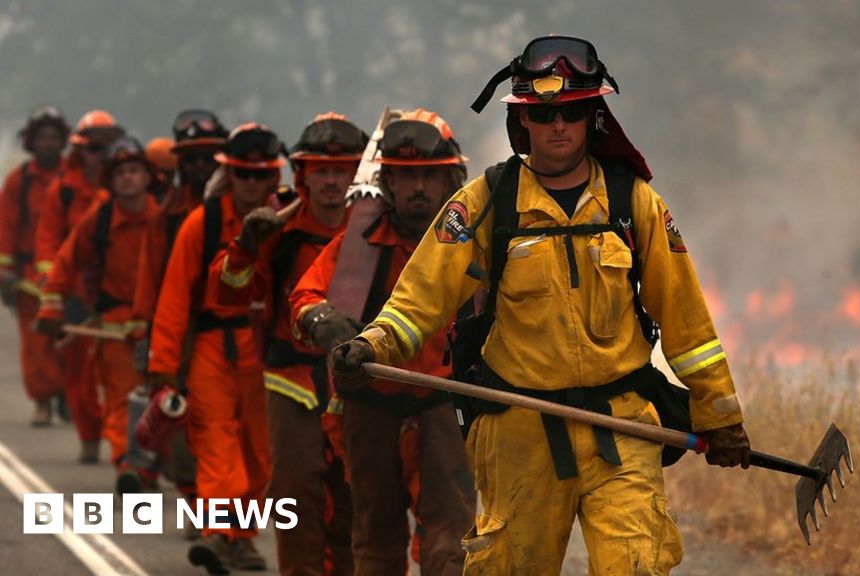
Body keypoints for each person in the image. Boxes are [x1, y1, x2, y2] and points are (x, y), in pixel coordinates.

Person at [332, 36, 752, 574]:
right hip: (519, 428)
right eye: (546, 112)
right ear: (523, 121)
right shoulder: (485, 204)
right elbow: (419, 300)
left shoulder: (634, 204)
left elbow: (688, 324)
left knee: (636, 565)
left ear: (592, 116)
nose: (559, 126)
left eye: (573, 112)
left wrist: (722, 416)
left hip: (622, 428)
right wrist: (373, 343)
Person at [291, 109, 475, 576]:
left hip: (444, 403)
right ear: (387, 183)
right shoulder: (360, 244)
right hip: (370, 404)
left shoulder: (473, 245)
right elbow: (306, 295)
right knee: (375, 535)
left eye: (428, 178)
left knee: (451, 534)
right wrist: (322, 318)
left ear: (451, 180)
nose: (417, 189)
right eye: (406, 177)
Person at [209, 112, 368, 575]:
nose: (331, 181)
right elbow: (229, 293)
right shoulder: (275, 226)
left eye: (341, 170)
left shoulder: (374, 227)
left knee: (355, 495)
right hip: (291, 379)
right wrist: (244, 246)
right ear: (302, 174)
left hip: (356, 378)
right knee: (295, 495)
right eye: (321, 170)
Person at [148, 123, 282, 574]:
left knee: (260, 451)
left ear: (272, 177)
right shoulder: (201, 223)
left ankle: (241, 538)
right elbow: (173, 296)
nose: (250, 184)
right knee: (217, 441)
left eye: (259, 176)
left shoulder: (286, 221)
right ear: (230, 175)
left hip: (264, 349)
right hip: (210, 346)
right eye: (242, 174)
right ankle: (219, 533)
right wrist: (163, 366)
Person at [36, 137, 159, 492]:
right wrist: (51, 303)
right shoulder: (100, 218)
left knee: (163, 403)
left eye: (135, 171)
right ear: (110, 179)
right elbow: (66, 260)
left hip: (162, 327)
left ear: (148, 177)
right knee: (123, 401)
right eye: (120, 173)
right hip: (115, 328)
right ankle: (128, 467)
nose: (128, 179)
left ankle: (153, 469)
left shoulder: (165, 218)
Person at [128, 110, 229, 540]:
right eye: (191, 159)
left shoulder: (242, 211)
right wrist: (144, 334)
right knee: (187, 421)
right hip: (182, 334)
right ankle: (198, 503)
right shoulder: (166, 217)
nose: (200, 166)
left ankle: (225, 517)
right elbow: (150, 279)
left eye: (209, 158)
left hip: (239, 335)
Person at [34, 109, 124, 462]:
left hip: (119, 299)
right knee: (80, 375)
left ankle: (130, 453)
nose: (98, 157)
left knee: (125, 381)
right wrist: (51, 289)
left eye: (105, 150)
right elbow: (49, 241)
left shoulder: (128, 188)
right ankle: (90, 436)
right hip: (76, 297)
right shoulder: (65, 191)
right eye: (92, 150)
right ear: (80, 151)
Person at [0, 106, 70, 426]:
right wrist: (5, 271)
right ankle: (42, 400)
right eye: (42, 137)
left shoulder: (75, 178)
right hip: (29, 278)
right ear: (32, 141)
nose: (48, 143)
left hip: (70, 276)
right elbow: (6, 227)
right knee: (36, 345)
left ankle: (68, 396)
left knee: (69, 341)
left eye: (54, 137)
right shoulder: (19, 181)